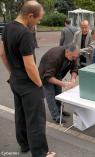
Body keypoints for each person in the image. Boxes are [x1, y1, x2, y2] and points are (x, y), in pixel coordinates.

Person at [0, 1, 56, 157]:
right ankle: (41, 153)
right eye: (38, 19)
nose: (38, 22)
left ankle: (24, 145)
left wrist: (13, 72)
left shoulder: (8, 27)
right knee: (36, 120)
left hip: (15, 81)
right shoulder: (25, 34)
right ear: (30, 16)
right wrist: (39, 84)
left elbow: (2, 54)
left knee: (21, 114)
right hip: (29, 84)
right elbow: (30, 66)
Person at [39, 43, 79, 123]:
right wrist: (64, 84)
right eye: (73, 57)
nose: (74, 58)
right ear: (67, 52)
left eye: (76, 57)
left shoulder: (73, 54)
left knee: (59, 94)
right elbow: (48, 77)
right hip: (46, 75)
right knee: (51, 95)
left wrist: (73, 79)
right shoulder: (55, 57)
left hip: (57, 72)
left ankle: (59, 111)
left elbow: (75, 68)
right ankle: (56, 116)